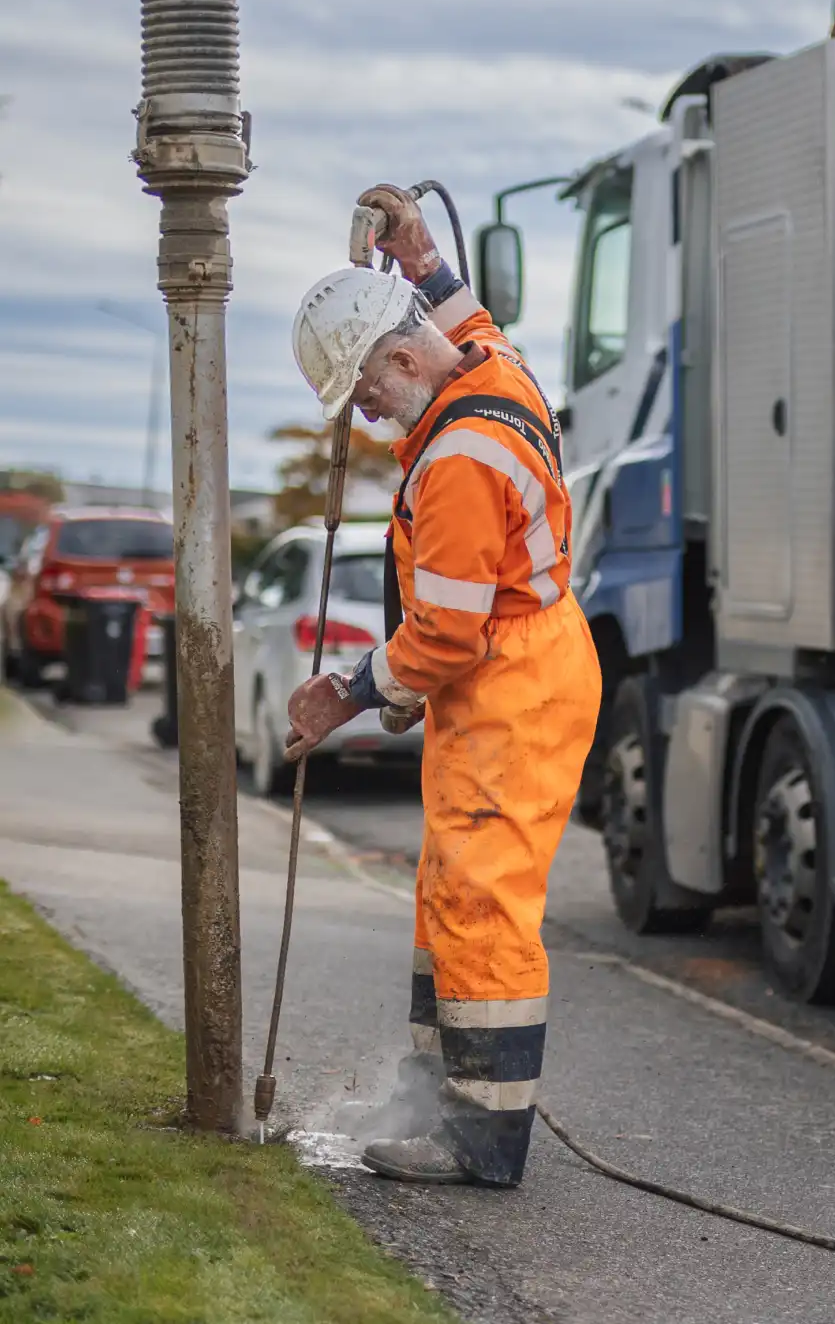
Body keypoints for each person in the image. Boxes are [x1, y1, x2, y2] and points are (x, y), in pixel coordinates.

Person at [285, 184, 601, 1188]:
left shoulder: (459, 457)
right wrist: (421, 256)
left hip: (509, 685)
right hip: (523, 672)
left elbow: (445, 636)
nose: (368, 414)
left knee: (481, 901)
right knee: (447, 892)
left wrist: (346, 691)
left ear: (405, 360)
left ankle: (479, 1135)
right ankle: (433, 1095)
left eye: (366, 392)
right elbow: (474, 322)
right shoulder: (490, 373)